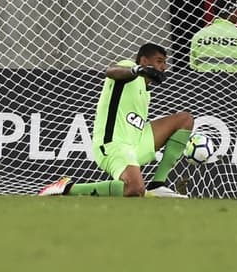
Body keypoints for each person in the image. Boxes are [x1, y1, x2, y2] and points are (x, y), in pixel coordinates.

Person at [38, 43, 194, 198]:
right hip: (112, 145)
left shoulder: (146, 92)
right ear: (144, 61)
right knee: (135, 189)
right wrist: (137, 70)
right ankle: (67, 188)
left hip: (136, 144)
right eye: (159, 61)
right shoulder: (129, 69)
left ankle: (158, 184)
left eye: (165, 62)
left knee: (184, 120)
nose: (164, 67)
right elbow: (111, 71)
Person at [189, 0, 237, 72]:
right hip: (236, 83)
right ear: (232, 12)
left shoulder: (198, 36)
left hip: (205, 83)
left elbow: (194, 67)